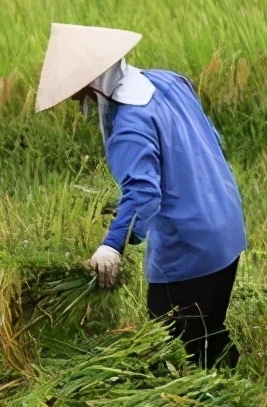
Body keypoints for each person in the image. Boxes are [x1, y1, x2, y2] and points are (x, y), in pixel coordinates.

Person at [35, 23, 247, 369]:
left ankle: (207, 406)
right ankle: (234, 393)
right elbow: (206, 142)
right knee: (206, 329)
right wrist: (127, 214)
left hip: (189, 246)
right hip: (225, 224)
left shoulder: (130, 125)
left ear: (92, 80)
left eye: (75, 89)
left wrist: (113, 244)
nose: (75, 99)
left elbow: (145, 193)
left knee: (171, 344)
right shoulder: (169, 81)